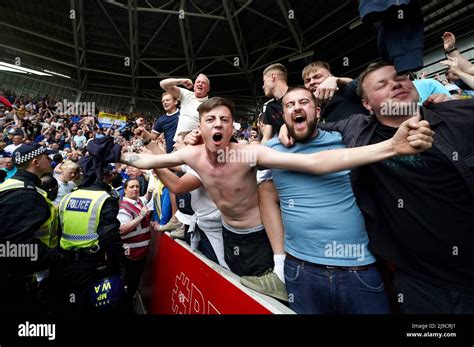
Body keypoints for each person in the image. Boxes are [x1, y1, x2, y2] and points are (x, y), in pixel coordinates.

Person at [120, 97, 433, 278]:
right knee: (241, 287)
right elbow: (149, 164)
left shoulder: (245, 153)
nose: (218, 125)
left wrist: (391, 146)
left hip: (259, 238)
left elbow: (318, 163)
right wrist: (116, 152)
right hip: (228, 235)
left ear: (232, 128)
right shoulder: (191, 154)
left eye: (225, 120)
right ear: (200, 127)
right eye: (211, 119)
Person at [322, 61, 474, 313]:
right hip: (419, 283)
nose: (395, 84)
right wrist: (285, 126)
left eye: (401, 77)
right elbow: (310, 131)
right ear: (367, 105)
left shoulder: (459, 115)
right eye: (381, 84)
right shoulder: (357, 129)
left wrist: (461, 71)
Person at [242, 87, 397, 312]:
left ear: (316, 111)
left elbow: (379, 114)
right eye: (289, 105)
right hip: (300, 270)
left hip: (357, 268)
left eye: (303, 102)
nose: (296, 107)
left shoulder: (345, 139)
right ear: (283, 117)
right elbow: (226, 159)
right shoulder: (273, 149)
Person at [58, 138, 126, 314]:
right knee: (94, 307)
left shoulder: (68, 197)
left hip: (66, 264)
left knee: (71, 303)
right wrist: (118, 265)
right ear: (103, 176)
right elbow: (111, 237)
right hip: (92, 265)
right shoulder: (105, 199)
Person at [0, 144, 63, 312]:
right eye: (46, 157)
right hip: (17, 281)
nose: (50, 160)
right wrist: (57, 257)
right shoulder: (24, 194)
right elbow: (16, 246)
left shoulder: (12, 185)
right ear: (36, 162)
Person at [117, 178, 153, 303]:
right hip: (132, 254)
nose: (135, 189)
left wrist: (152, 186)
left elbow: (146, 197)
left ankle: (129, 298)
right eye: (131, 187)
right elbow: (121, 230)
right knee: (130, 281)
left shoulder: (138, 202)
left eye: (137, 186)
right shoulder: (124, 208)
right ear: (125, 190)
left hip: (141, 252)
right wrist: (141, 216)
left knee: (135, 279)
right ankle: (125, 304)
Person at [160, 73, 210, 141]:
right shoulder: (186, 94)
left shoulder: (210, 105)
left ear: (208, 88)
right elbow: (163, 84)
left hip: (194, 145)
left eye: (203, 83)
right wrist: (180, 81)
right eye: (198, 82)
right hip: (178, 144)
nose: (200, 84)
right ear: (194, 85)